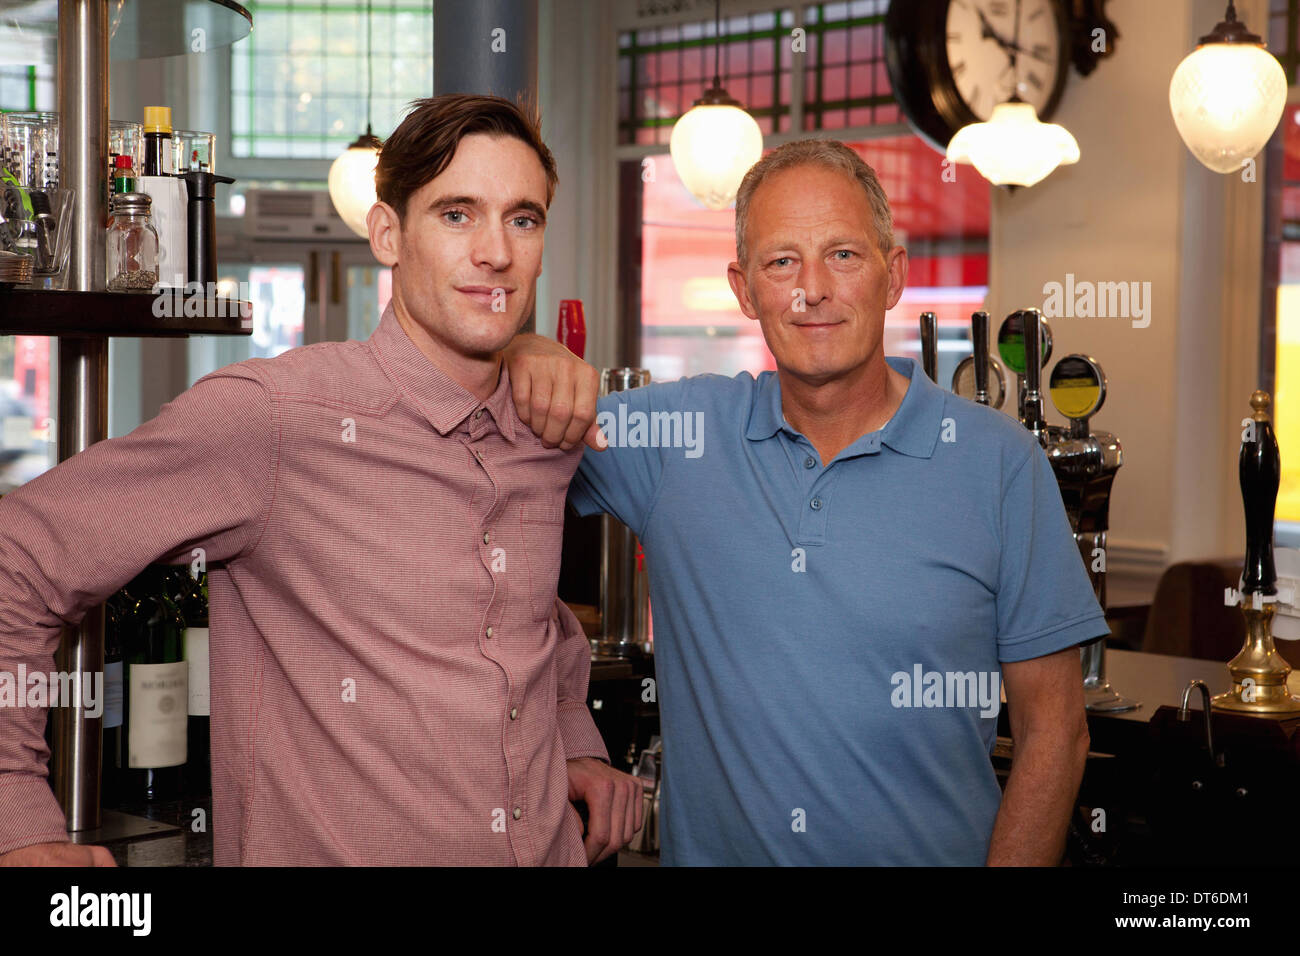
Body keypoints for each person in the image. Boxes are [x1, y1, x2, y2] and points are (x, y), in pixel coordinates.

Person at [0, 93, 640, 867]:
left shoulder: (546, 424)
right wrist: (21, 820)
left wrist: (574, 736)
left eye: (524, 218)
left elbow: (526, 617)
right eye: (457, 214)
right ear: (388, 234)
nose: (496, 252)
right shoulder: (274, 420)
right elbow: (19, 557)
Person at [505, 138, 1101, 865]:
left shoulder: (1001, 465)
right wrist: (520, 352)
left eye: (844, 255)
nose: (811, 289)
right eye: (781, 261)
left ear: (894, 275)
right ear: (744, 288)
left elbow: (1055, 734)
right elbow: (476, 463)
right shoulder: (673, 438)